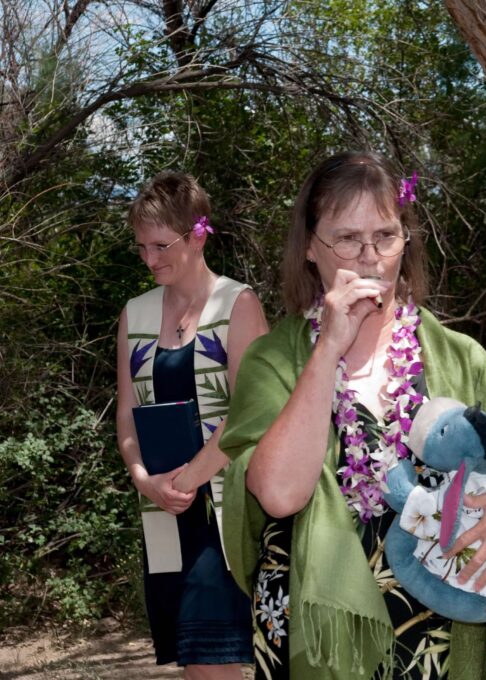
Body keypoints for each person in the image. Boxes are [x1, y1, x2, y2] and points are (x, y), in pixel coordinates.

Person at [218, 151, 486, 680]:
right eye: (345, 239)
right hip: (317, 643)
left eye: (385, 236)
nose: (369, 258)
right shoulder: (275, 360)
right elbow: (278, 494)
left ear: (404, 244)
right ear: (310, 249)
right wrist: (327, 352)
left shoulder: (459, 357)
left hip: (444, 646)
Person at [116, 171, 268, 677]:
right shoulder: (134, 314)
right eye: (141, 247)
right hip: (162, 510)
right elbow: (126, 414)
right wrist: (145, 480)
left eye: (160, 245)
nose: (149, 259)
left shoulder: (238, 304)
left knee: (213, 666)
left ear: (198, 233)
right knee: (191, 666)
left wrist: (187, 480)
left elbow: (251, 414)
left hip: (224, 514)